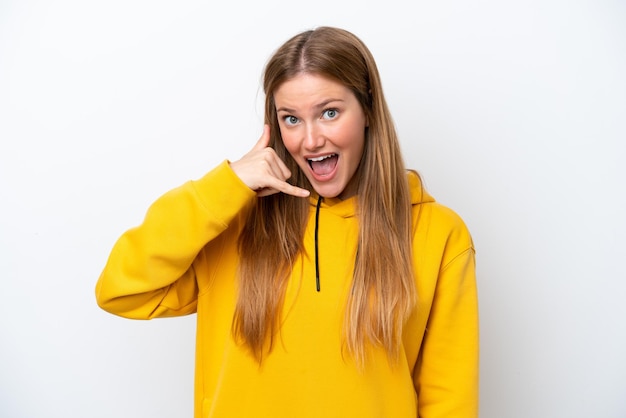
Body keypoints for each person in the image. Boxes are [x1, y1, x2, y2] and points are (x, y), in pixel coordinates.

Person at [96, 26, 479, 418]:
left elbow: (449, 402)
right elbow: (120, 289)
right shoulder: (233, 223)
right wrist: (224, 186)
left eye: (329, 113)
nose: (310, 140)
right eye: (291, 119)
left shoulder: (438, 234)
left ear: (367, 109)